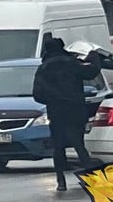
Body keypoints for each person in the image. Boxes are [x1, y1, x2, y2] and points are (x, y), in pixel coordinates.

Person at [33, 34, 102, 191]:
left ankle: (61, 181)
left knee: (58, 147)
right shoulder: (71, 64)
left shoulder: (43, 69)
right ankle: (89, 178)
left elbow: (37, 94)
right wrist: (95, 57)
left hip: (56, 113)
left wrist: (52, 101)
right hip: (75, 110)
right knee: (79, 144)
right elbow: (91, 72)